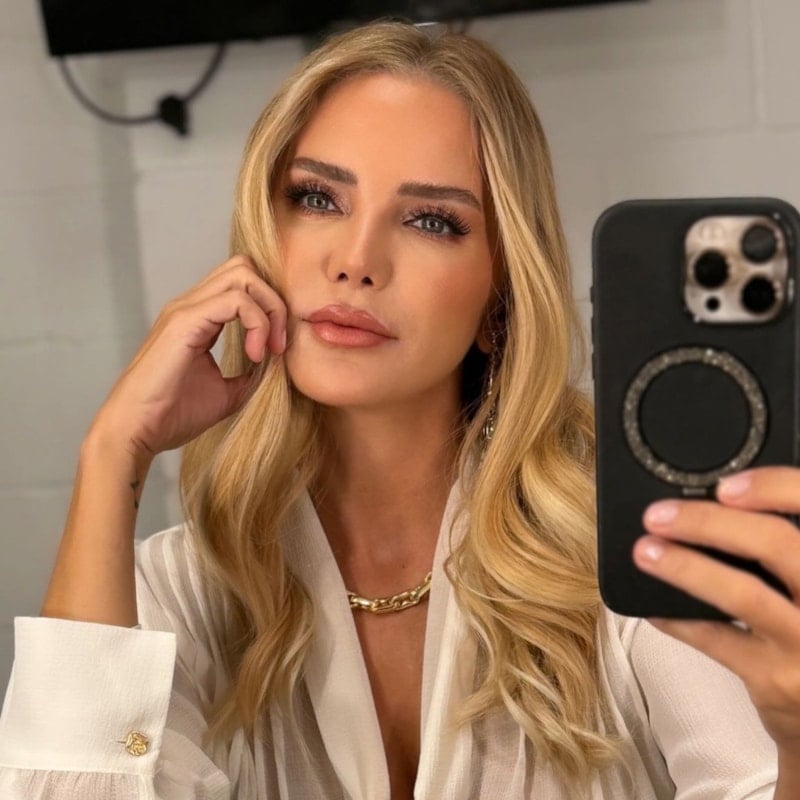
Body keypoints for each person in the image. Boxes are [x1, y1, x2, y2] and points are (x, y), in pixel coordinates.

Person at [0, 18, 798, 799]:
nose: (355, 261)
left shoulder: (624, 561)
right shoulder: (180, 588)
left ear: (499, 301)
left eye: (430, 220)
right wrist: (111, 452)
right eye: (317, 198)